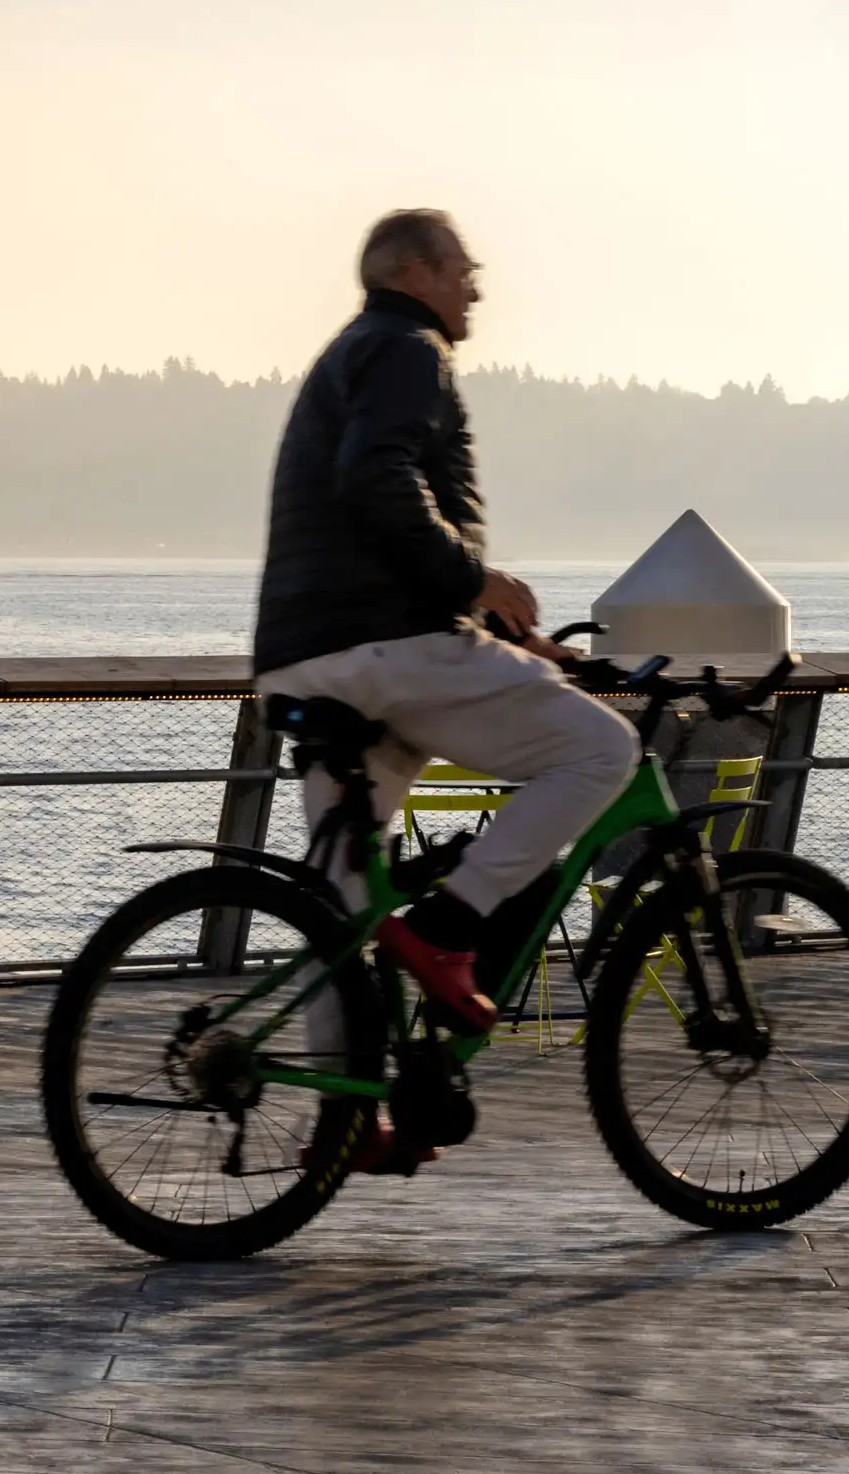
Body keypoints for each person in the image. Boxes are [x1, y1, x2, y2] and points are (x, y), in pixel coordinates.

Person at [253, 208, 636, 1156]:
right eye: (465, 268)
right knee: (602, 748)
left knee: (344, 896)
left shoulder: (354, 350)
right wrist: (474, 582)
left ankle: (343, 1120)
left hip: (308, 653)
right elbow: (378, 479)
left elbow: (370, 517)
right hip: (387, 649)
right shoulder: (406, 346)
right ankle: (456, 922)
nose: (477, 287)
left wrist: (498, 631)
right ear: (416, 271)